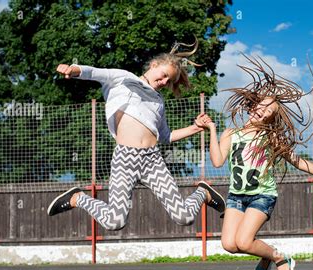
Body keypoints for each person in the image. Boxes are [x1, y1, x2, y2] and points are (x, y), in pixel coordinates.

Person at [202, 55, 313, 270]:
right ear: (253, 104)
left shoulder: (271, 137)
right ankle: (265, 254)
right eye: (261, 106)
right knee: (229, 245)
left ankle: (281, 259)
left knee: (243, 241)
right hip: (236, 196)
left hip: (262, 195)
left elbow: (297, 161)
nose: (262, 112)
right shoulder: (231, 133)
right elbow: (216, 160)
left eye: (268, 111)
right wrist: (212, 128)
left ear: (272, 117)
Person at [47, 40, 225, 230]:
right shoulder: (125, 78)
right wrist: (73, 69)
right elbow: (95, 72)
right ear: (153, 65)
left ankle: (202, 193)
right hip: (124, 158)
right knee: (115, 222)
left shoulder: (158, 101)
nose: (165, 82)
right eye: (164, 75)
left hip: (152, 160)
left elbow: (165, 136)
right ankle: (78, 198)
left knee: (185, 217)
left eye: (169, 81)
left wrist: (195, 128)